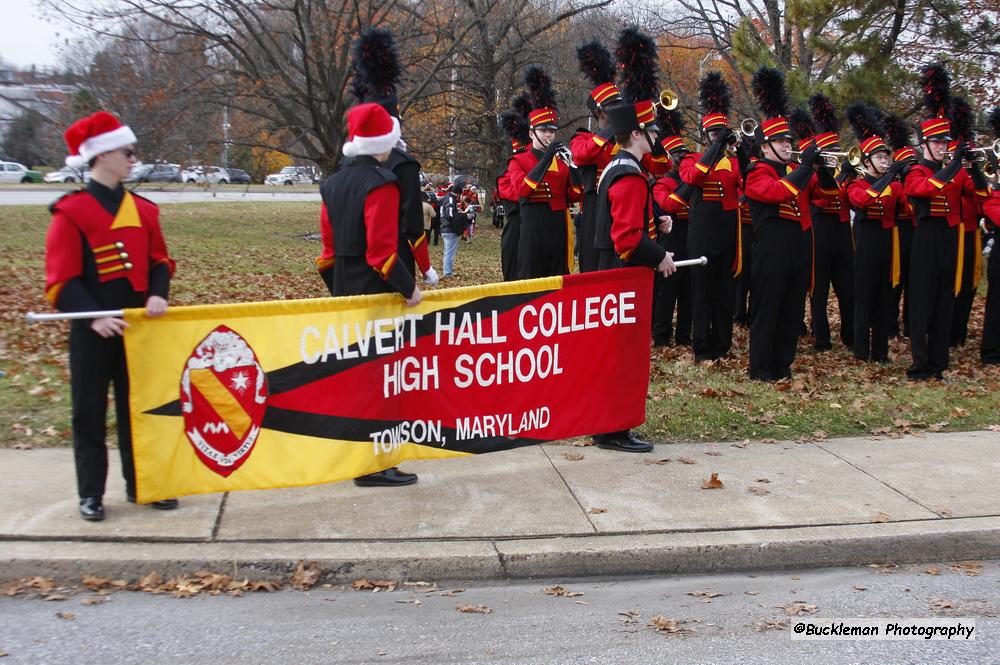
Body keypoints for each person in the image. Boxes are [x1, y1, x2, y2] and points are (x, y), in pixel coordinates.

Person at [45, 110, 178, 521]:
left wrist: (158, 294)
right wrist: (94, 318)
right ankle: (91, 494)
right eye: (127, 151)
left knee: (139, 408)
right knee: (88, 410)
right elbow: (61, 281)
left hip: (138, 325)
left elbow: (160, 261)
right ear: (102, 156)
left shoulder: (144, 209)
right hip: (92, 330)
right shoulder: (71, 211)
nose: (133, 158)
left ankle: (144, 485)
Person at [317, 102, 422, 487]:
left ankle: (361, 459)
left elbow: (327, 255)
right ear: (384, 142)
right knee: (381, 380)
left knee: (357, 379)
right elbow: (382, 254)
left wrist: (341, 295)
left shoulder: (331, 184)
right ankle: (374, 465)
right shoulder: (382, 182)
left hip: (345, 290)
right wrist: (410, 289)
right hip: (377, 293)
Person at [592, 98, 676, 452]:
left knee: (617, 353)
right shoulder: (628, 174)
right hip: (624, 276)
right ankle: (614, 429)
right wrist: (660, 256)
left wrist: (654, 220)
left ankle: (611, 426)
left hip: (613, 272)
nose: (656, 136)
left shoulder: (617, 167)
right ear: (638, 133)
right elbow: (626, 238)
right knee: (623, 354)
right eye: (652, 130)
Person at [744, 67, 836, 381]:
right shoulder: (758, 171)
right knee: (768, 306)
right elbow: (778, 193)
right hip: (772, 245)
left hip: (799, 243)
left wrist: (821, 169)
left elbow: (827, 195)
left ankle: (782, 365)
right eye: (780, 142)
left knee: (792, 307)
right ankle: (760, 368)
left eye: (788, 140)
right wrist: (806, 166)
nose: (787, 145)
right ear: (765, 147)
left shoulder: (797, 169)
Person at [903, 63, 989, 380]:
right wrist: (954, 166)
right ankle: (920, 364)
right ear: (924, 144)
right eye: (937, 143)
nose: (942, 147)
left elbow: (980, 195)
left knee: (944, 302)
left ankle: (939, 363)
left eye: (945, 143)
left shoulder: (955, 170)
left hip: (950, 236)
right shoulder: (916, 169)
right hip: (925, 237)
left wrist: (975, 167)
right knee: (923, 301)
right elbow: (922, 189)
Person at [680, 72, 743, 361]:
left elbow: (749, 184)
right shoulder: (692, 158)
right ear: (706, 136)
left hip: (727, 228)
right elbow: (693, 177)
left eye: (721, 133)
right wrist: (717, 148)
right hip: (703, 229)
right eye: (713, 133)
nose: (718, 137)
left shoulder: (733, 162)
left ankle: (722, 343)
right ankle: (701, 344)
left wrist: (742, 150)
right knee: (702, 289)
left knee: (724, 289)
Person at [506, 66, 582, 279]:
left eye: (552, 131)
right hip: (532, 225)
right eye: (543, 130)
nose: (549, 135)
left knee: (556, 278)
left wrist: (574, 167)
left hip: (557, 225)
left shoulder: (561, 160)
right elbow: (522, 190)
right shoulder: (519, 160)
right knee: (531, 276)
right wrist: (547, 158)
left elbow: (575, 195)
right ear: (531, 133)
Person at [845, 103, 906, 363]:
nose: (885, 161)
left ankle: (880, 352)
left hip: (887, 242)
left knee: (884, 297)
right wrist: (887, 179)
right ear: (867, 161)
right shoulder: (857, 183)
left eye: (887, 157)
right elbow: (862, 201)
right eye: (880, 158)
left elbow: (910, 209)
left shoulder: (894, 185)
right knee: (864, 297)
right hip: (866, 241)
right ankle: (861, 351)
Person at [806, 94, 854, 351]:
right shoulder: (814, 174)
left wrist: (847, 175)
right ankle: (821, 338)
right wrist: (838, 176)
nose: (835, 156)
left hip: (843, 231)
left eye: (837, 151)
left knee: (848, 288)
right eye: (831, 152)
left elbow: (854, 199)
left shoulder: (847, 173)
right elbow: (819, 200)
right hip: (820, 231)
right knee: (819, 288)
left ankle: (850, 335)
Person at [570, 40, 622, 273]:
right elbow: (581, 155)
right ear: (599, 111)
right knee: (592, 265)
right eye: (613, 107)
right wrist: (613, 128)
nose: (617, 111)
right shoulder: (583, 137)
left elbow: (658, 165)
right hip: (594, 205)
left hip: (622, 202)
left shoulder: (627, 141)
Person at [439, 183, 471, 277]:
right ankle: (447, 273)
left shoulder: (445, 198)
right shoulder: (450, 199)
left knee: (448, 251)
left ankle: (448, 271)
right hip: (449, 229)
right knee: (449, 252)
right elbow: (450, 215)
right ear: (458, 194)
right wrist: (464, 215)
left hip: (444, 228)